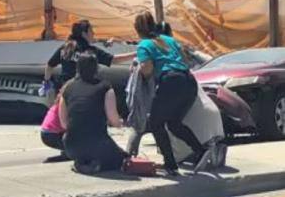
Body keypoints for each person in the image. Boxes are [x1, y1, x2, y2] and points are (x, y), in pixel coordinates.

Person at [134, 11, 212, 176]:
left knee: (155, 123)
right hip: (189, 81)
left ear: (138, 30)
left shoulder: (144, 45)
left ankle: (170, 165)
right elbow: (185, 61)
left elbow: (147, 70)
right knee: (174, 123)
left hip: (171, 82)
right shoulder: (169, 40)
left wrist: (140, 70)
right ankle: (200, 150)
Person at [58, 53, 128, 174]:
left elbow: (63, 123)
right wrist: (121, 122)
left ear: (77, 68)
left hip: (71, 146)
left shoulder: (68, 88)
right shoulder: (105, 87)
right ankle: (96, 165)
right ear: (97, 68)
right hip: (97, 143)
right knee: (121, 159)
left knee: (88, 150)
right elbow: (113, 120)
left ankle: (83, 162)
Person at [41, 20, 134, 96]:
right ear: (84, 34)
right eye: (91, 31)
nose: (93, 33)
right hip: (81, 92)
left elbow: (50, 65)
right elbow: (113, 60)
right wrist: (135, 54)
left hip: (65, 91)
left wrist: (46, 82)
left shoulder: (66, 47)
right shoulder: (89, 51)